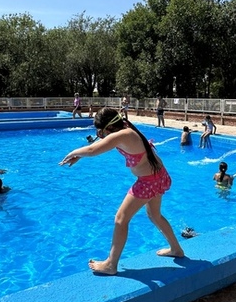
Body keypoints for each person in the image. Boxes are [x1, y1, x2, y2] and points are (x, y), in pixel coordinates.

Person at [59, 107, 184, 275]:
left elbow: (92, 150)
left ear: (109, 128)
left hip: (148, 181)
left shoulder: (122, 135)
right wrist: (80, 156)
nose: (99, 134)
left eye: (100, 130)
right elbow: (97, 146)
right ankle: (176, 249)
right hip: (158, 176)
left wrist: (72, 153)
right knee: (155, 215)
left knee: (120, 219)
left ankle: (111, 264)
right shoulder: (125, 128)